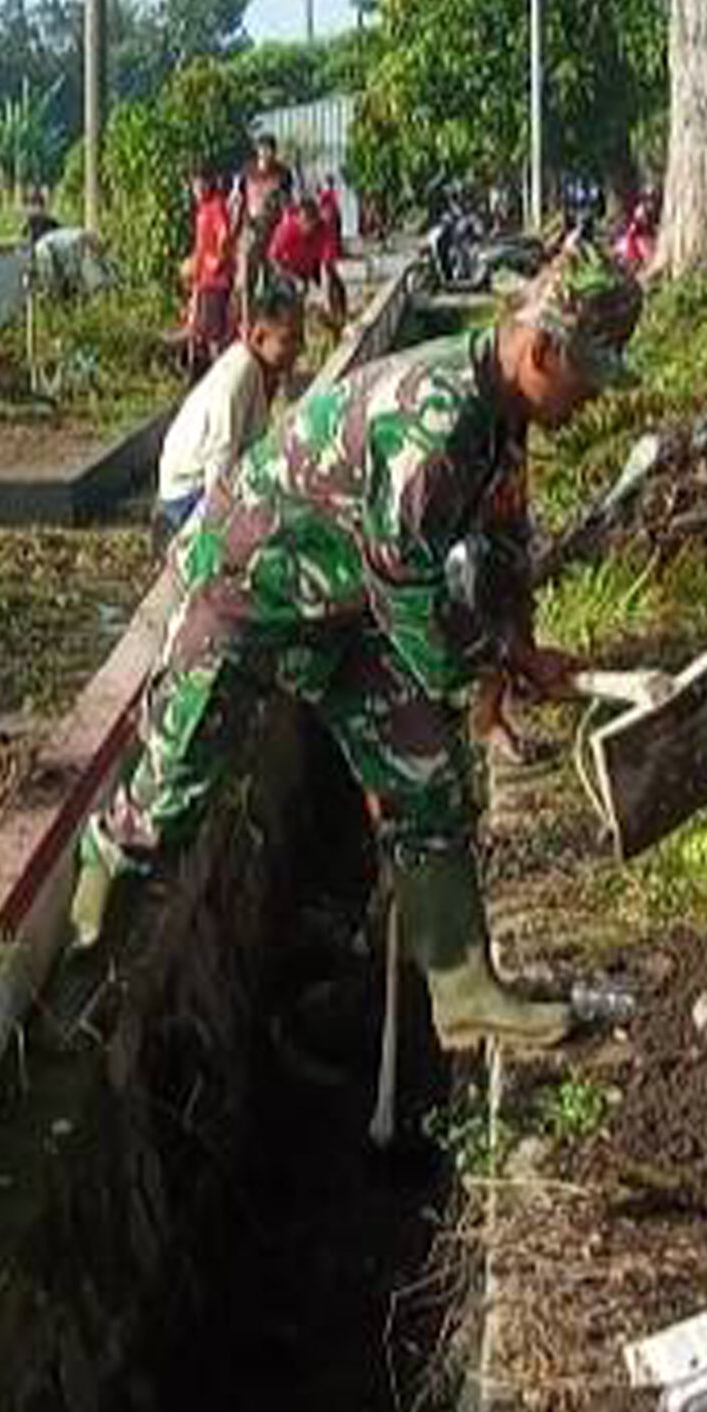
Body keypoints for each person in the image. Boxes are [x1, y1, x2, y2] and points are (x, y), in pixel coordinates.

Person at [69, 246, 646, 1052]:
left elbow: (506, 541)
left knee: (426, 773)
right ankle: (82, 953)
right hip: (250, 590)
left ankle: (463, 991)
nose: (589, 403)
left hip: (346, 609)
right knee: (175, 785)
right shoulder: (436, 419)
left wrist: (520, 648)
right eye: (587, 380)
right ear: (544, 351)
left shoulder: (503, 415)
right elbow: (408, 583)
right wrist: (479, 669)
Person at [151, 274, 306, 547]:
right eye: (288, 339)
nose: (298, 349)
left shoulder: (259, 372)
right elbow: (219, 471)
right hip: (187, 501)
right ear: (259, 336)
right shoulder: (238, 376)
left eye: (299, 339)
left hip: (203, 491)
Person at [233, 132, 295, 326]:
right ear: (258, 150)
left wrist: (287, 229)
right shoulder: (247, 171)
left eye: (270, 150)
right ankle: (246, 320)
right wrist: (236, 229)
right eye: (262, 149)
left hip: (273, 231)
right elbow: (238, 199)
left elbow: (287, 203)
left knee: (272, 276)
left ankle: (269, 318)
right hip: (251, 228)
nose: (266, 154)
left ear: (274, 152)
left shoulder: (282, 174)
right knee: (247, 278)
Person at [180, 174, 235, 372]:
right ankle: (201, 371)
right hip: (203, 278)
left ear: (209, 185)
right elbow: (202, 244)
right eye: (195, 186)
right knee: (199, 327)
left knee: (213, 334)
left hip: (215, 280)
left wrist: (217, 261)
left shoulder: (216, 205)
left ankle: (218, 375)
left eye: (202, 185)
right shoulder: (202, 209)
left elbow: (224, 235)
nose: (198, 190)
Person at [268, 193, 349, 321]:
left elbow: (327, 262)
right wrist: (291, 277)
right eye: (305, 222)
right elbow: (272, 258)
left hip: (310, 267)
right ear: (299, 219)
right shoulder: (286, 229)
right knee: (291, 296)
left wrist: (325, 290)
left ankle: (339, 318)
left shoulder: (322, 229)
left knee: (336, 285)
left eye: (311, 222)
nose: (308, 227)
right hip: (287, 270)